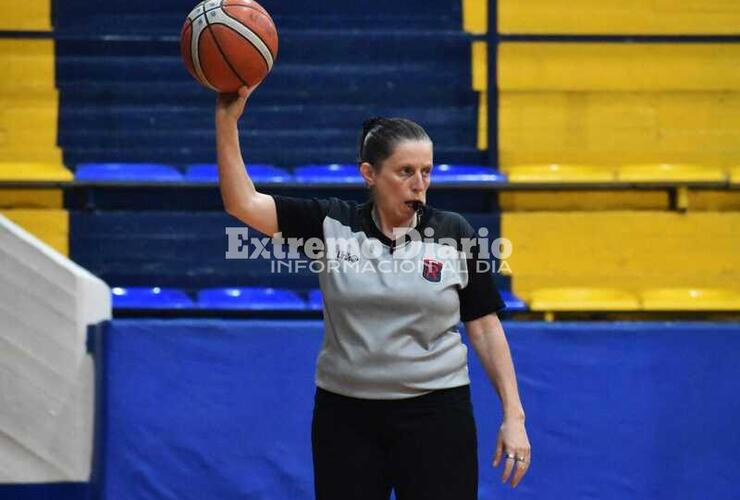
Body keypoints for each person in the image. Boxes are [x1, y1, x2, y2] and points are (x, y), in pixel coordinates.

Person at [215, 85, 531, 500]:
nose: (419, 184)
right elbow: (242, 203)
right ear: (369, 174)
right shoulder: (330, 224)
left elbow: (486, 329)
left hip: (436, 414)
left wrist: (514, 416)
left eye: (426, 171)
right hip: (346, 416)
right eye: (405, 171)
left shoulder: (455, 232)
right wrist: (226, 120)